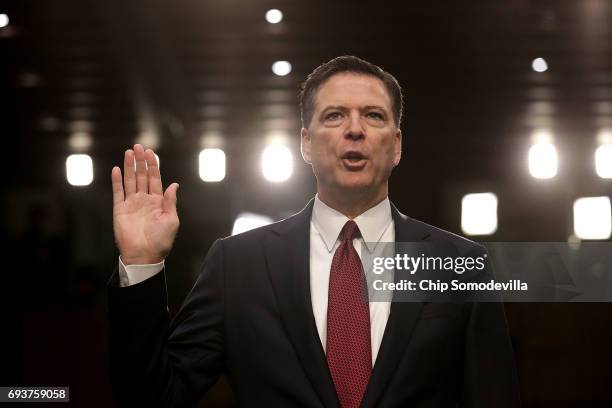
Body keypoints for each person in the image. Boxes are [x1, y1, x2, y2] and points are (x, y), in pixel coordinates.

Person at [108, 56, 520, 407]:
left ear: (396, 145)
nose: (354, 129)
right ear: (305, 144)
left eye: (373, 116)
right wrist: (142, 264)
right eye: (334, 115)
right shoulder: (238, 266)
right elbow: (152, 398)